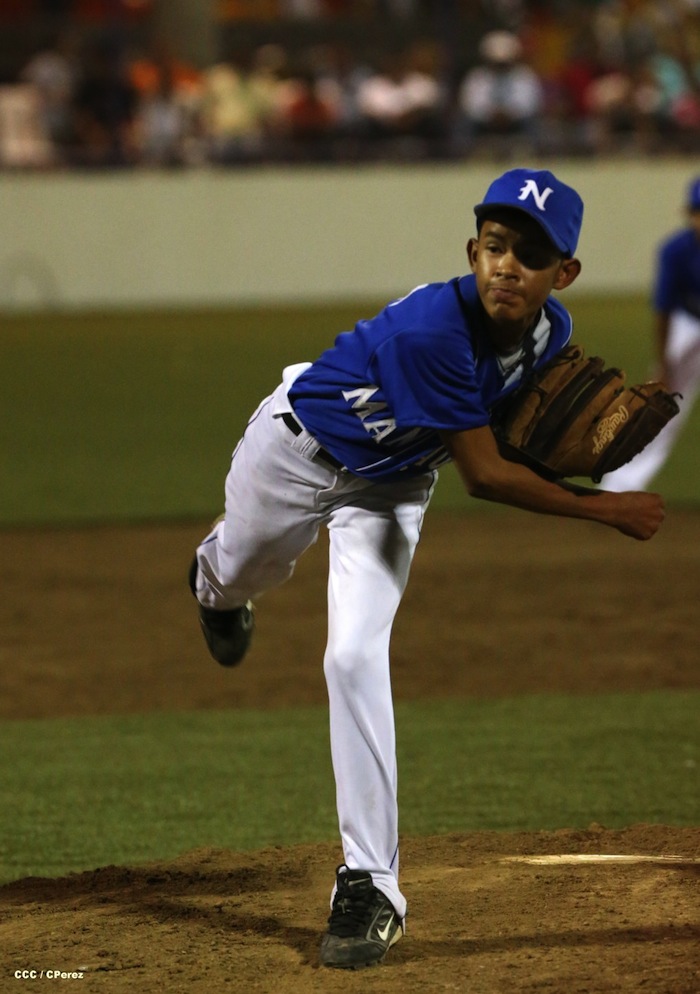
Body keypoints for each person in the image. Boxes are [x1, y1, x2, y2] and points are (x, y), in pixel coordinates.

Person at [189, 167, 665, 970]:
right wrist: (603, 507)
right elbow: (484, 473)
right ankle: (212, 584)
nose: (507, 266)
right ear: (472, 251)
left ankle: (371, 885)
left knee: (352, 655)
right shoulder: (432, 333)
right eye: (495, 246)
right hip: (295, 451)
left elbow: (508, 427)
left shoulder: (549, 334)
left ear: (564, 275)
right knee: (239, 572)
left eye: (531, 254)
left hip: (392, 487)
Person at [601, 175, 700, 492]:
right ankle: (621, 485)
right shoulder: (675, 250)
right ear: (689, 214)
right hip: (688, 323)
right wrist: (665, 364)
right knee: (662, 403)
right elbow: (663, 311)